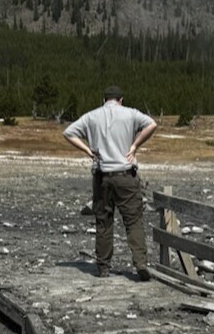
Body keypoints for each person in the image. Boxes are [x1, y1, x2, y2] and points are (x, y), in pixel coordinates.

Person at [64, 85, 158, 280]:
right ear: (121, 100)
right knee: (133, 221)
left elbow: (69, 132)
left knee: (104, 221)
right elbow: (151, 125)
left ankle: (103, 267)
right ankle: (140, 262)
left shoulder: (91, 116)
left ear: (104, 100)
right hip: (125, 173)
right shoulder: (131, 114)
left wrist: (88, 151)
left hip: (101, 175)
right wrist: (134, 145)